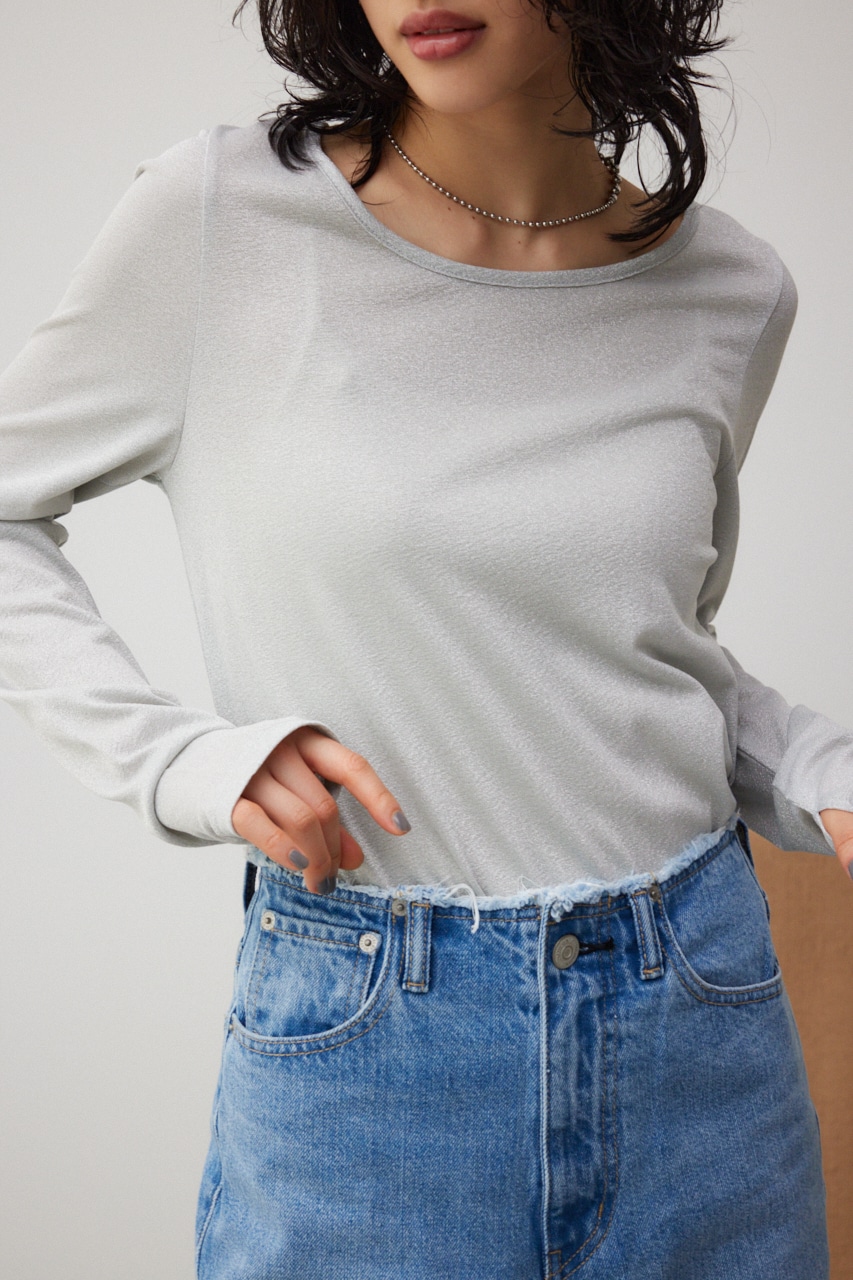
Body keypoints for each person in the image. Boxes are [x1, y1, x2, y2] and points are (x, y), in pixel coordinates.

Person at [1, 0, 850, 1276]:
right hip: (370, 1054)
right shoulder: (222, 216)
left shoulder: (731, 288)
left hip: (700, 1028)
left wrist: (819, 768)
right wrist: (180, 759)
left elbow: (648, 656)